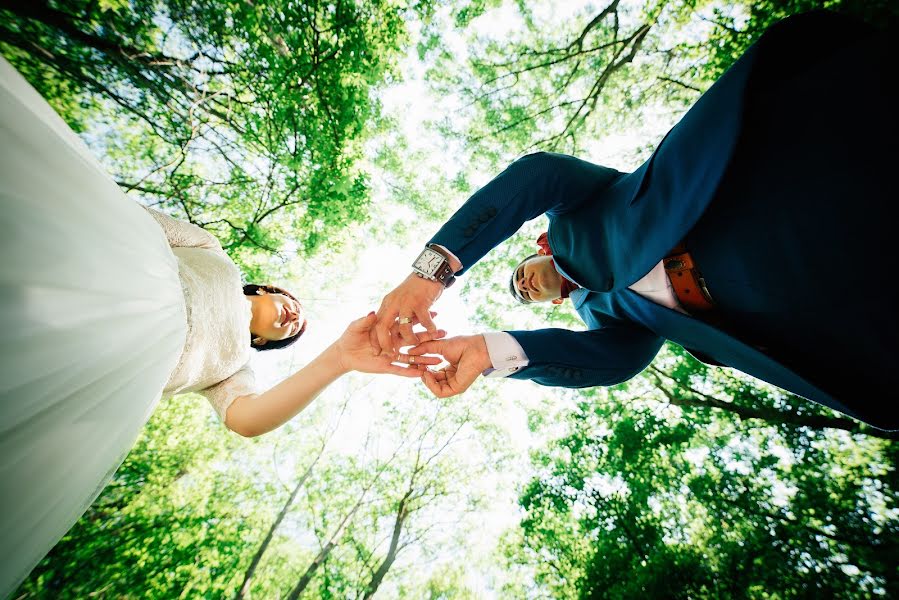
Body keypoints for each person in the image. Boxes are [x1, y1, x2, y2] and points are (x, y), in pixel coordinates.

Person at [0, 56, 438, 595]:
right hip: (94, 263)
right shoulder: (212, 251)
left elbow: (247, 420)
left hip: (94, 361)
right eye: (292, 304)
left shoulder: (233, 366)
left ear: (263, 341)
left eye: (291, 331)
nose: (294, 316)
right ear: (263, 290)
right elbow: (130, 219)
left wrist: (338, 360)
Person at [371, 11, 898, 431]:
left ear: (538, 246)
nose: (525, 284)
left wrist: (430, 272)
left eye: (519, 273)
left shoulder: (576, 207)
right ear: (552, 303)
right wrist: (491, 352)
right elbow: (616, 363)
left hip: (763, 179)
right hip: (806, 301)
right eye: (524, 294)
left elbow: (537, 176)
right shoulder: (600, 317)